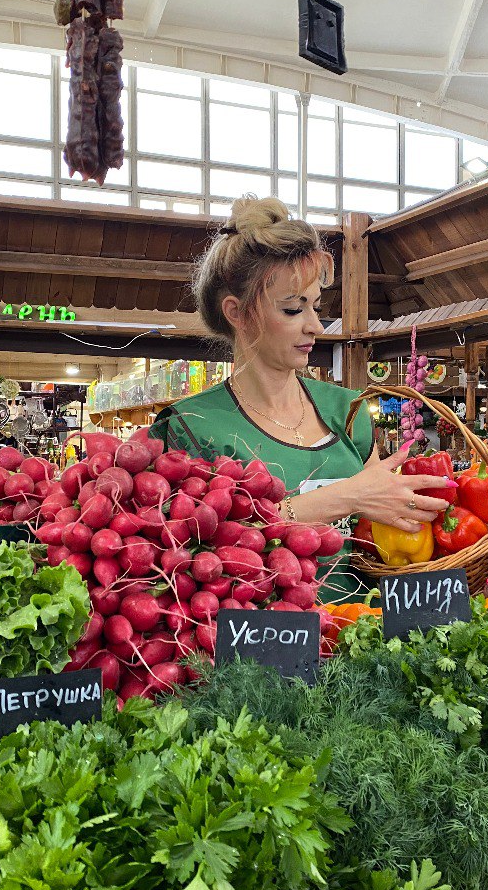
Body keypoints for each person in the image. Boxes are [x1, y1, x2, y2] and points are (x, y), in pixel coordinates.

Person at [150, 196, 454, 601]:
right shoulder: (190, 428)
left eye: (315, 306)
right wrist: (345, 496)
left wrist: (458, 562)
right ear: (236, 312)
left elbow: (384, 532)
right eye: (293, 309)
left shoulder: (347, 410)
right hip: (257, 649)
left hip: (364, 638)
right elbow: (193, 559)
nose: (315, 325)